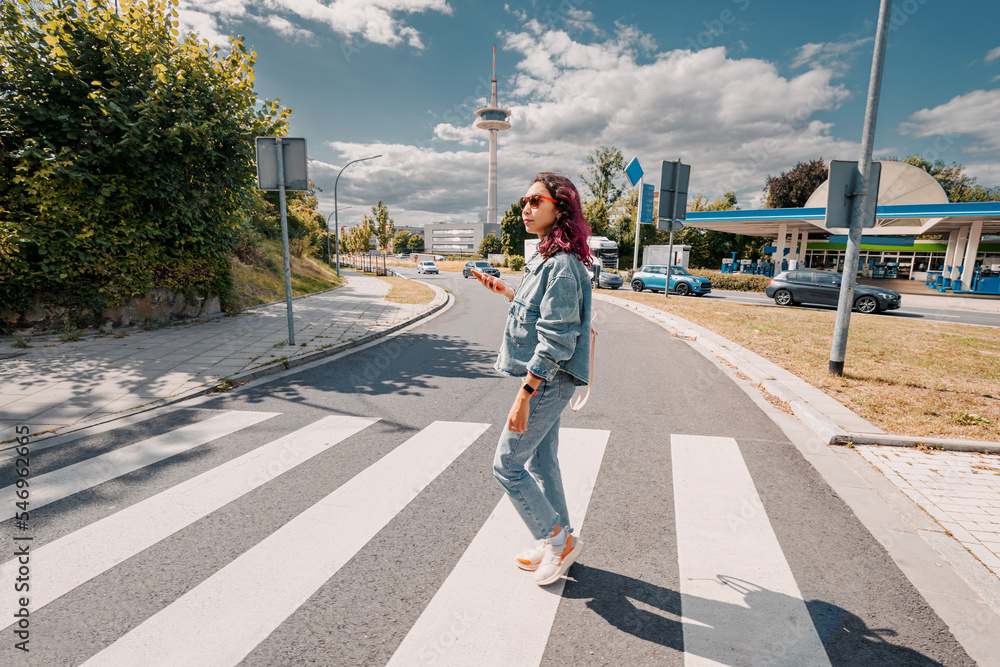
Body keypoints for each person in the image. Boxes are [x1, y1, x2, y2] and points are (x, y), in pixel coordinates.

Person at [474, 172, 593, 586]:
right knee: (542, 462)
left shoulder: (560, 266)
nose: (526, 208)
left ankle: (556, 540)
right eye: (524, 201)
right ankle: (557, 541)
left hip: (548, 379)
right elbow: (541, 311)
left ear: (559, 207)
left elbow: (558, 338)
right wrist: (508, 293)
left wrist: (524, 395)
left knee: (506, 464)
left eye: (535, 201)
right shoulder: (543, 259)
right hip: (547, 378)